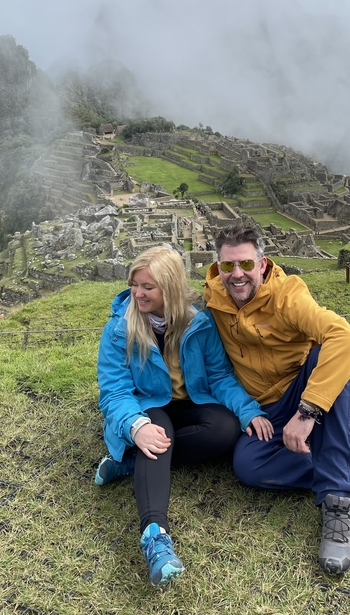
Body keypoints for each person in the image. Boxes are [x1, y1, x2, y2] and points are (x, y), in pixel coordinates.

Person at [203, 223, 350, 576]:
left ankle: (337, 503)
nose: (237, 275)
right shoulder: (212, 300)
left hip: (305, 393)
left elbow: (346, 339)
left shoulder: (287, 294)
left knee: (326, 354)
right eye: (228, 266)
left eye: (246, 264)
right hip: (264, 409)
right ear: (218, 267)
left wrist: (307, 411)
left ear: (262, 265)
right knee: (248, 467)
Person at [95, 245, 271, 589]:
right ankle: (155, 537)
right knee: (156, 430)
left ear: (171, 288)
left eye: (149, 286)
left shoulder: (199, 323)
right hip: (145, 405)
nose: (138, 293)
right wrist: (137, 425)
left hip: (190, 401)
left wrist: (248, 411)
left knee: (226, 428)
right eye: (135, 284)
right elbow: (114, 393)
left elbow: (219, 376)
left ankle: (131, 461)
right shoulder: (119, 329)